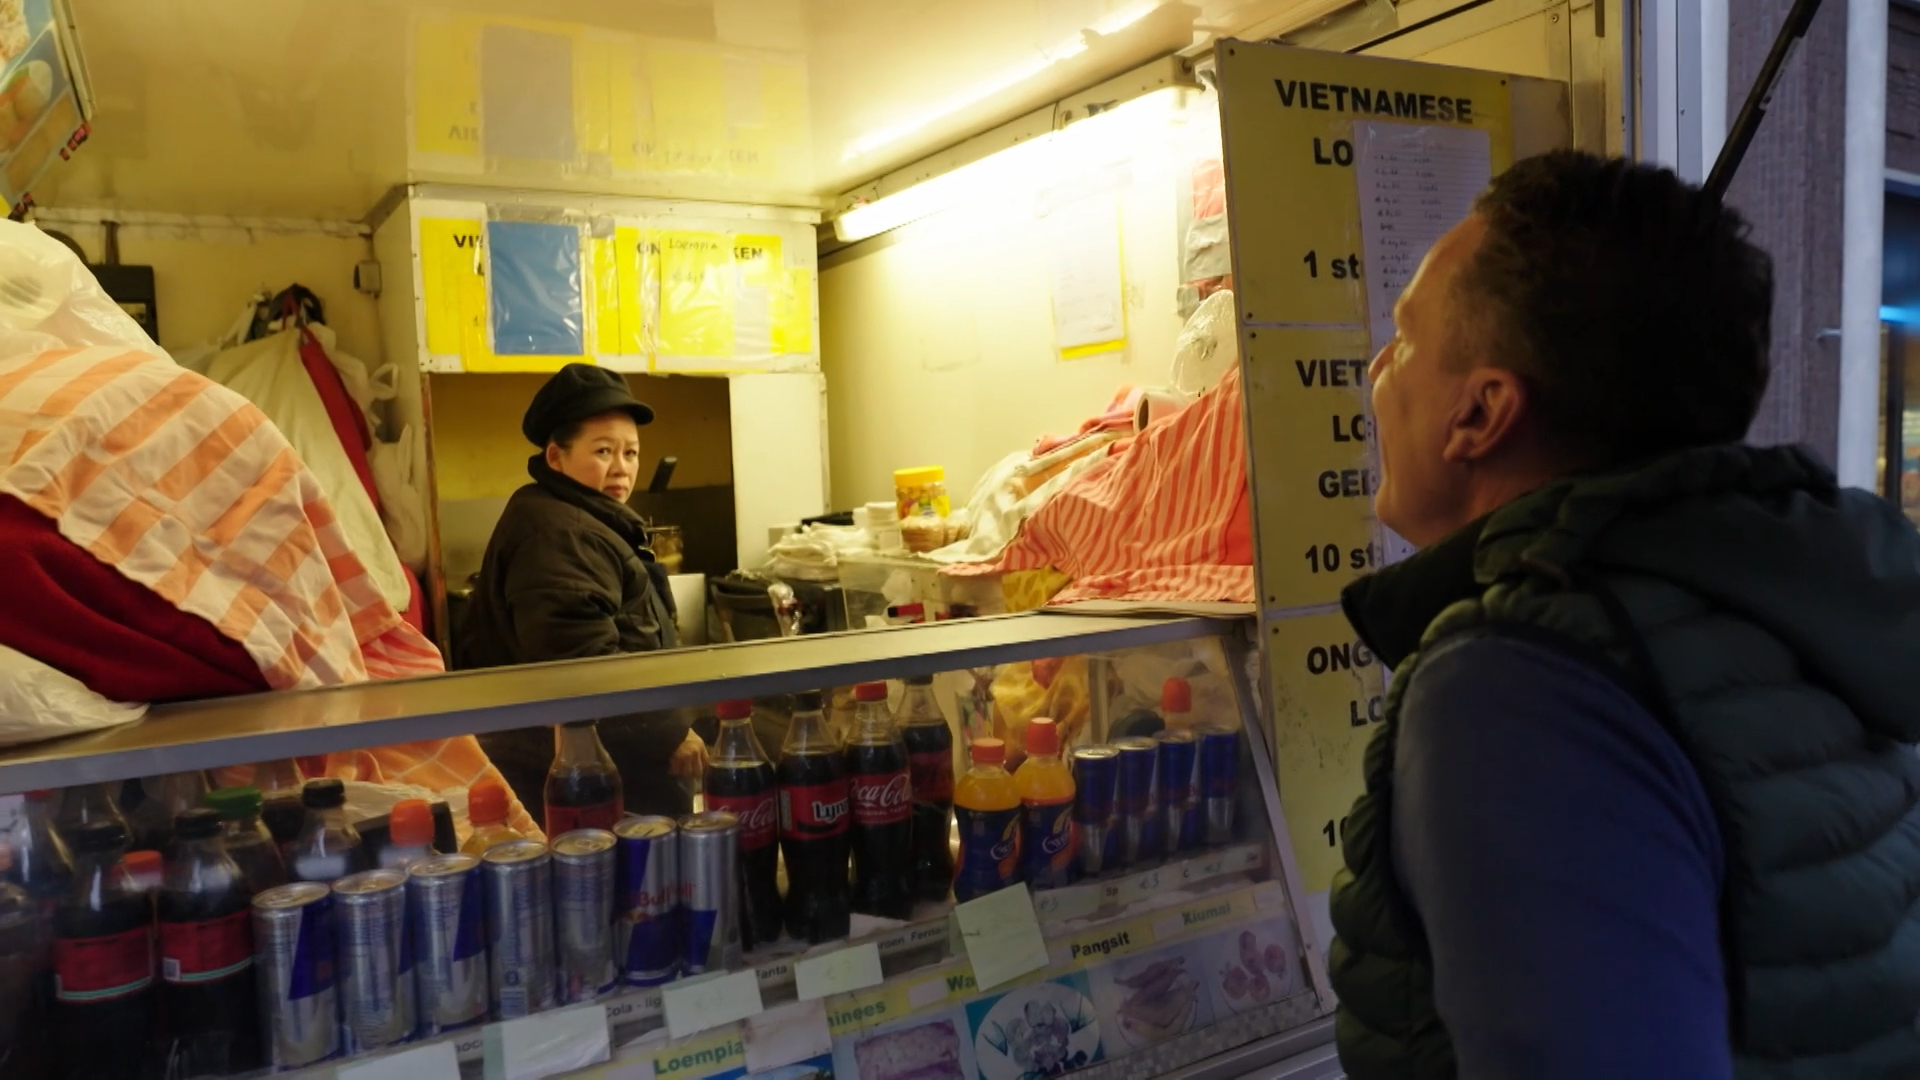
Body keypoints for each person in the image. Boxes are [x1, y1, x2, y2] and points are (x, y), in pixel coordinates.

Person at [1328, 151, 1920, 1078]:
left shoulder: (1513, 688)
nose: (1377, 368)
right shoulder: (1803, 597)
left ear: (1480, 414)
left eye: (1404, 339)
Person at [460, 363, 706, 820]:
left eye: (631, 453)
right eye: (603, 451)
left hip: (607, 770)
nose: (621, 468)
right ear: (556, 457)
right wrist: (669, 733)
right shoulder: (558, 533)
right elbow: (581, 664)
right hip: (576, 787)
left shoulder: (580, 518)